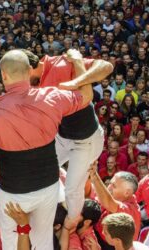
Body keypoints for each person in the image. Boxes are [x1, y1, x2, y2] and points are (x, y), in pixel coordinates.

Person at [0, 49, 93, 249]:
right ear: (30, 70)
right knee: (43, 241)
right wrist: (79, 63)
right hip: (47, 187)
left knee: (11, 243)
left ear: (3, 75)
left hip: (14, 192)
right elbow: (86, 95)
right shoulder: (52, 97)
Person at [26, 48, 113, 224]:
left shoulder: (62, 63)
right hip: (62, 137)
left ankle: (72, 225)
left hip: (85, 141)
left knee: (73, 189)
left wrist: (77, 80)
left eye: (23, 77)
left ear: (30, 67)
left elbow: (106, 66)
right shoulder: (29, 82)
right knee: (37, 169)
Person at [88, 162, 141, 249]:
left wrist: (94, 175)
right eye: (110, 183)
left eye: (114, 186)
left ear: (127, 192)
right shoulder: (116, 197)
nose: (109, 187)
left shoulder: (130, 210)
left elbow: (108, 202)